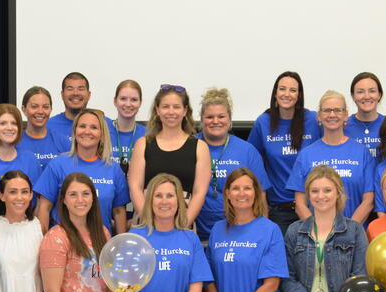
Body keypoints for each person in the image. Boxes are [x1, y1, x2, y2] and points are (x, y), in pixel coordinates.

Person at [248, 71, 322, 237]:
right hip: (279, 210)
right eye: (282, 89)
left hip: (313, 207)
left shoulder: (313, 120)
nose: (287, 94)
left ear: (299, 95)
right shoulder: (263, 122)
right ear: (275, 93)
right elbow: (252, 163)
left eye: (292, 90)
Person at [34, 109, 129, 235]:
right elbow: (44, 208)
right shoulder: (58, 164)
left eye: (94, 127)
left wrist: (120, 243)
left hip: (101, 241)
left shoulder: (113, 168)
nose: (87, 131)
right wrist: (45, 241)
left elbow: (118, 211)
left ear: (102, 134)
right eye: (82, 126)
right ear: (75, 131)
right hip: (64, 242)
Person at [128, 85, 211, 223]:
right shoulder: (142, 144)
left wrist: (183, 225)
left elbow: (199, 193)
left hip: (184, 223)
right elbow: (135, 188)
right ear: (157, 110)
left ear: (185, 110)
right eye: (165, 107)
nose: (171, 112)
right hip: (146, 224)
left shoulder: (200, 147)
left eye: (176, 107)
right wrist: (149, 222)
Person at [286, 91, 373, 222]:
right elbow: (300, 204)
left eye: (337, 110)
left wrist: (349, 230)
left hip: (354, 231)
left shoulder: (362, 152)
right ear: (319, 116)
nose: (332, 115)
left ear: (346, 115)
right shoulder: (306, 155)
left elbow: (368, 201)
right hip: (316, 233)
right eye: (327, 110)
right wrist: (317, 230)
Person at [196, 87, 270, 240]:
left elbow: (261, 198)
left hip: (239, 234)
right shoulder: (190, 146)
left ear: (230, 119)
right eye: (209, 117)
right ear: (202, 120)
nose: (215, 121)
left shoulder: (247, 151)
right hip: (195, 232)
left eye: (221, 116)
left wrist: (260, 236)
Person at [18, 85, 69, 171]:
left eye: (45, 107)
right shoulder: (15, 142)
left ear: (51, 109)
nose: (40, 111)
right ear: (24, 109)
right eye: (34, 106)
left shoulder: (63, 142)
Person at [105, 79, 146, 173]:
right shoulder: (103, 131)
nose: (128, 104)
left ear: (140, 103)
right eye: (123, 99)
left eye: (134, 100)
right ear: (115, 101)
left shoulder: (148, 135)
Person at [344, 72, 384, 157]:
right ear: (353, 96)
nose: (367, 97)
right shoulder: (343, 126)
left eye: (372, 91)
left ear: (379, 95)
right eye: (360, 92)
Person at [46, 72, 92, 144]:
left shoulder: (105, 125)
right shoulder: (48, 126)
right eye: (70, 89)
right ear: (62, 94)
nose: (75, 93)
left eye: (81, 89)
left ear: (89, 95)